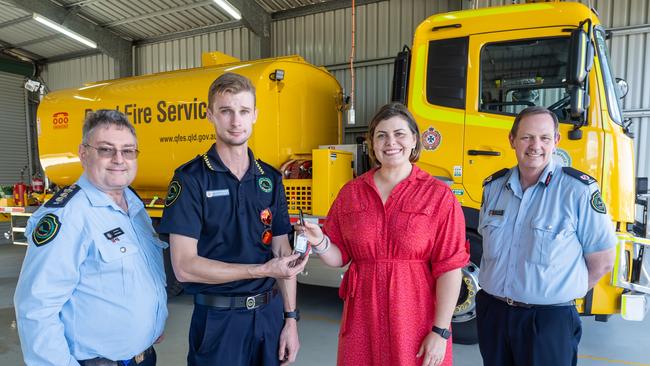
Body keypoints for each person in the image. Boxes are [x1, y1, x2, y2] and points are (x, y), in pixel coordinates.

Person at [298, 102, 469, 366]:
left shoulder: (437, 196)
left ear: (414, 139)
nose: (391, 142)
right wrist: (319, 241)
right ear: (372, 145)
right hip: (362, 318)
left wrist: (440, 331)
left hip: (416, 317)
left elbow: (450, 267)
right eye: (382, 135)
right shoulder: (351, 193)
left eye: (399, 134)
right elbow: (339, 257)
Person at [157, 72, 307, 366]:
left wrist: (290, 319)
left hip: (269, 318)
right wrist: (260, 270)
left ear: (255, 116)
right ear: (210, 115)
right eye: (226, 111)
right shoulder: (190, 179)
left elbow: (282, 253)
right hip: (218, 321)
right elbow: (185, 267)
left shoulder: (271, 179)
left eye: (243, 111)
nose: (236, 121)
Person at [14, 109, 167, 366]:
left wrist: (152, 319)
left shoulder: (135, 206)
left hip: (144, 357)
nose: (119, 159)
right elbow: (36, 307)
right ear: (84, 154)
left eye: (128, 151)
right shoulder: (69, 214)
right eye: (106, 150)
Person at [477, 106, 617, 366]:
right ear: (512, 140)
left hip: (548, 321)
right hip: (494, 314)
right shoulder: (493, 188)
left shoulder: (578, 191)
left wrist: (558, 293)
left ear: (556, 142)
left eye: (544, 138)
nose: (535, 146)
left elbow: (603, 261)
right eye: (527, 137)